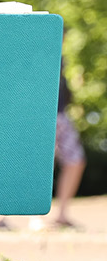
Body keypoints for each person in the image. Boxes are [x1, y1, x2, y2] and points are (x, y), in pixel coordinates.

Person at [44, 74, 87, 231]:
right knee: (38, 163)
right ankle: (36, 219)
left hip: (60, 113)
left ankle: (61, 216)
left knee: (76, 161)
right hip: (39, 114)